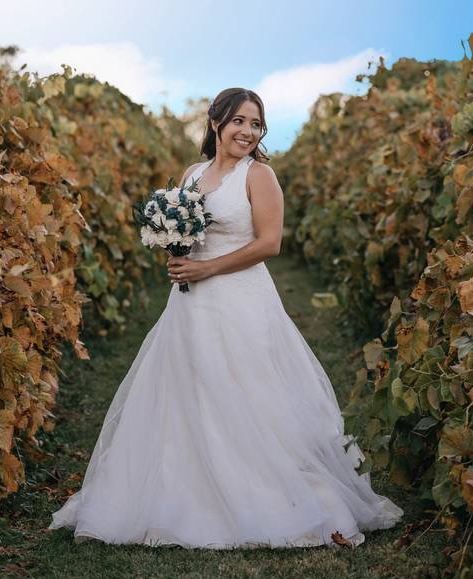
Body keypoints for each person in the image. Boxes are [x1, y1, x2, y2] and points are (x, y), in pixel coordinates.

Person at [47, 88, 404, 549]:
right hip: (190, 300)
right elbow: (185, 231)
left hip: (240, 297)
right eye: (239, 121)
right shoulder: (192, 174)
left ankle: (263, 494)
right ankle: (181, 488)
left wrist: (206, 267)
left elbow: (269, 244)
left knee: (245, 388)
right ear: (216, 121)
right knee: (186, 385)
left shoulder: (261, 176)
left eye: (256, 124)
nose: (248, 132)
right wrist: (172, 249)